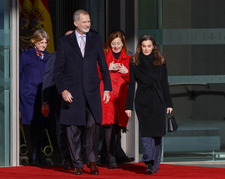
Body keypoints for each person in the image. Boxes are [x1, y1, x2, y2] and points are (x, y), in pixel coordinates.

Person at [54, 10, 112, 175]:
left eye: (89, 21)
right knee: (73, 129)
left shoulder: (96, 39)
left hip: (92, 91)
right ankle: (77, 163)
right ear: (75, 23)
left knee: (93, 125)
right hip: (72, 91)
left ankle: (92, 161)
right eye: (84, 22)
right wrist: (63, 89)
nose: (88, 24)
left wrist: (107, 88)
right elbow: (58, 70)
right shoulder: (65, 42)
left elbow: (103, 65)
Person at [125, 34, 173, 175]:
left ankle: (155, 163)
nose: (146, 49)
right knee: (146, 133)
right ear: (140, 47)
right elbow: (131, 85)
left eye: (149, 46)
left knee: (157, 133)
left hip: (158, 99)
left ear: (153, 47)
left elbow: (164, 82)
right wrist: (128, 106)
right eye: (144, 46)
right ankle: (148, 161)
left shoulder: (161, 60)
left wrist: (169, 102)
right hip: (143, 99)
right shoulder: (134, 61)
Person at [99, 31, 131, 169]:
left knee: (118, 127)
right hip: (107, 97)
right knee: (109, 126)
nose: (116, 46)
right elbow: (94, 74)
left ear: (122, 44)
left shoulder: (128, 59)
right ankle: (110, 156)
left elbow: (134, 79)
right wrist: (107, 68)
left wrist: (126, 72)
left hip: (121, 97)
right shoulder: (103, 57)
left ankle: (113, 153)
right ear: (109, 44)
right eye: (113, 43)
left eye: (118, 43)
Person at [20, 30, 53, 165]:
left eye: (45, 43)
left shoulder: (49, 57)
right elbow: (18, 74)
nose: (43, 45)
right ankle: (31, 153)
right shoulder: (26, 56)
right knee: (30, 124)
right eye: (40, 42)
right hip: (28, 96)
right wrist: (22, 91)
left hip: (42, 96)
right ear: (34, 41)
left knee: (40, 125)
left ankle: (38, 154)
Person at [41, 30, 73, 169]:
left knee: (78, 129)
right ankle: (66, 157)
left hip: (78, 99)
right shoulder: (54, 57)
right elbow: (48, 79)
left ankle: (76, 156)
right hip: (58, 100)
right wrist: (45, 102)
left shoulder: (83, 56)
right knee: (63, 129)